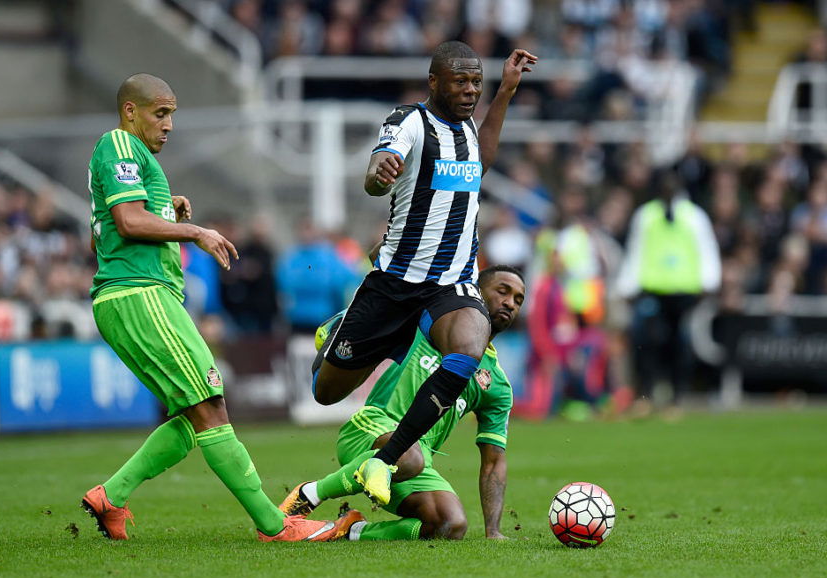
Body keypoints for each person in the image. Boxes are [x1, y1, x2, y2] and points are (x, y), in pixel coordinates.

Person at [81, 73, 360, 542]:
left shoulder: (133, 158)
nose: (168, 124)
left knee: (194, 416)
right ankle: (276, 525)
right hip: (139, 295)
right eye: (160, 113)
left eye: (172, 114)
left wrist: (164, 207)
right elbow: (127, 221)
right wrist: (196, 232)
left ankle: (112, 495)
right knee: (210, 406)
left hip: (135, 296)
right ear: (130, 111)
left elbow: (112, 225)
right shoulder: (119, 144)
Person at [311, 40, 537, 507]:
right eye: (461, 81)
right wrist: (379, 174)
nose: (471, 89)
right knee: (326, 393)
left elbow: (482, 161)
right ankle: (338, 330)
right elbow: (378, 171)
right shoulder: (409, 121)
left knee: (469, 349)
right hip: (395, 284)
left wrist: (506, 92)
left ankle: (387, 457)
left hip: (451, 285)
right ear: (434, 81)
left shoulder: (469, 131)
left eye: (477, 81)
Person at [281, 266, 526, 540]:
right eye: (502, 291)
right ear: (476, 291)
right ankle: (311, 494)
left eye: (518, 299)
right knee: (409, 456)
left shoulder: (498, 386)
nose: (510, 303)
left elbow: (494, 461)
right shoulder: (432, 320)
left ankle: (348, 531)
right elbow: (391, 272)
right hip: (370, 429)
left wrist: (493, 531)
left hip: (417, 460)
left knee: (450, 524)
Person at [616, 169, 721, 414]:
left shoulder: (694, 216)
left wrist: (709, 281)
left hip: (684, 292)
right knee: (648, 343)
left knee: (679, 345)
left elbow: (706, 248)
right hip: (653, 289)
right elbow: (637, 249)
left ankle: (676, 398)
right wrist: (627, 285)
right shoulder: (647, 215)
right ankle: (647, 395)